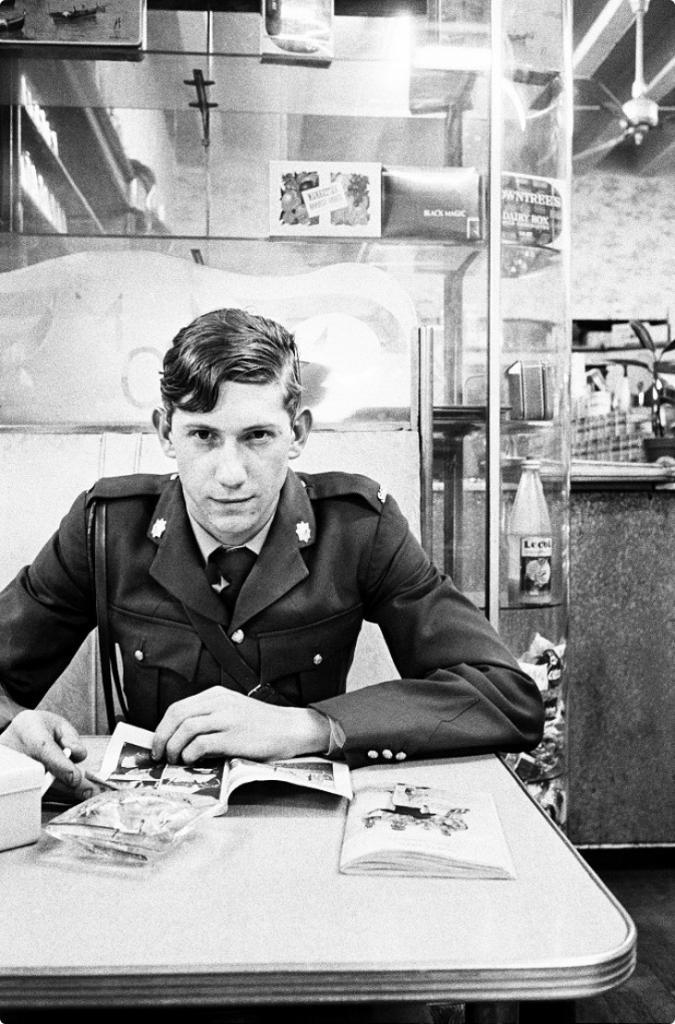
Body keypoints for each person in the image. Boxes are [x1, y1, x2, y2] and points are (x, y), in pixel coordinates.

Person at [0, 307, 544, 798]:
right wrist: (12, 726)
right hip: (151, 837)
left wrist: (311, 726)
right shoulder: (106, 529)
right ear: (166, 433)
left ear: (297, 433)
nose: (230, 474)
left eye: (257, 436)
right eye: (203, 436)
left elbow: (507, 697)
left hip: (305, 829)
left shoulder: (357, 528)